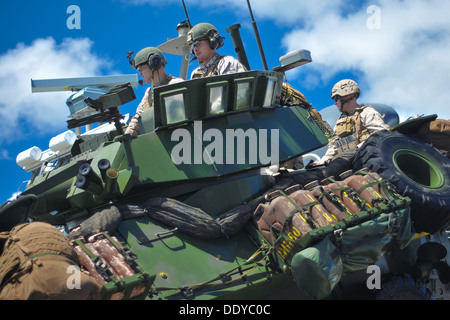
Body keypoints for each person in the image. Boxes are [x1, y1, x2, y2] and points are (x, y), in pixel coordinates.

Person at [290, 79, 389, 185]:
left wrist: (359, 149)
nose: (335, 103)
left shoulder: (367, 112)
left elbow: (380, 135)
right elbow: (334, 145)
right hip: (343, 158)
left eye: (337, 98)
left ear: (346, 96)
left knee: (327, 173)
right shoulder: (340, 121)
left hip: (362, 157)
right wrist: (323, 161)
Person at [125, 47, 183, 136]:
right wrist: (127, 136)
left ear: (154, 63)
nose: (140, 73)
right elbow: (138, 117)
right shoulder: (149, 92)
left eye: (141, 69)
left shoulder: (175, 85)